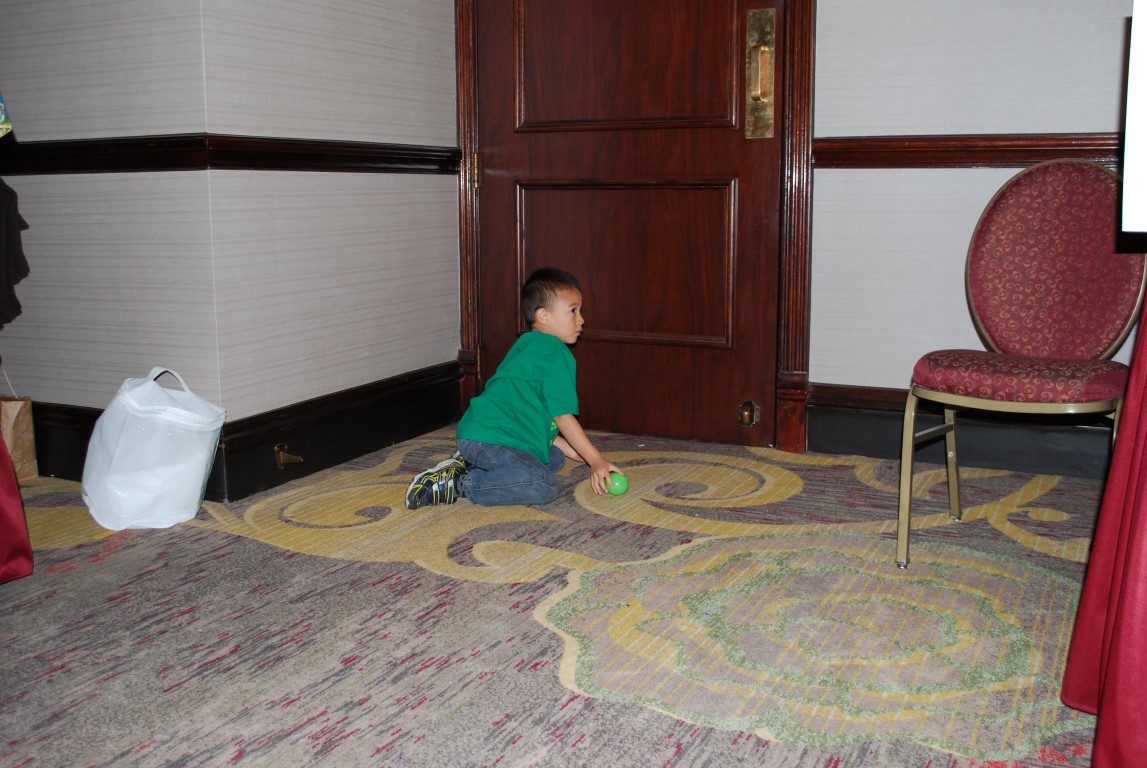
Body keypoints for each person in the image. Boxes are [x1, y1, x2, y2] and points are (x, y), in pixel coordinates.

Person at [405, 267, 623, 509]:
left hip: (483, 433)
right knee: (541, 485)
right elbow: (562, 416)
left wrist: (581, 454)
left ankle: (469, 463)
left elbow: (539, 420)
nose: (581, 319)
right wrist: (595, 459)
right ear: (544, 316)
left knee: (552, 457)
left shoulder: (527, 344)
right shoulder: (555, 353)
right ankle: (458, 483)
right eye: (573, 311)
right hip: (491, 437)